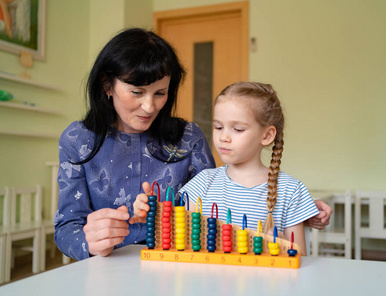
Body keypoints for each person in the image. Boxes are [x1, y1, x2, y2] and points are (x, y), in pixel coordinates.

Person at [54, 28, 216, 260]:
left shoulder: (189, 138)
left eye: (160, 93)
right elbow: (66, 226)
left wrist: (168, 215)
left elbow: (215, 213)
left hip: (177, 266)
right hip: (107, 274)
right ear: (107, 85)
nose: (150, 107)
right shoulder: (78, 140)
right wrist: (89, 242)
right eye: (137, 92)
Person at [132, 82, 327, 255]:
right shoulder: (201, 184)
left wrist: (283, 247)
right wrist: (153, 213)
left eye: (237, 129)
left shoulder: (291, 191)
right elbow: (177, 239)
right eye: (218, 127)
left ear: (267, 136)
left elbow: (301, 261)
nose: (224, 137)